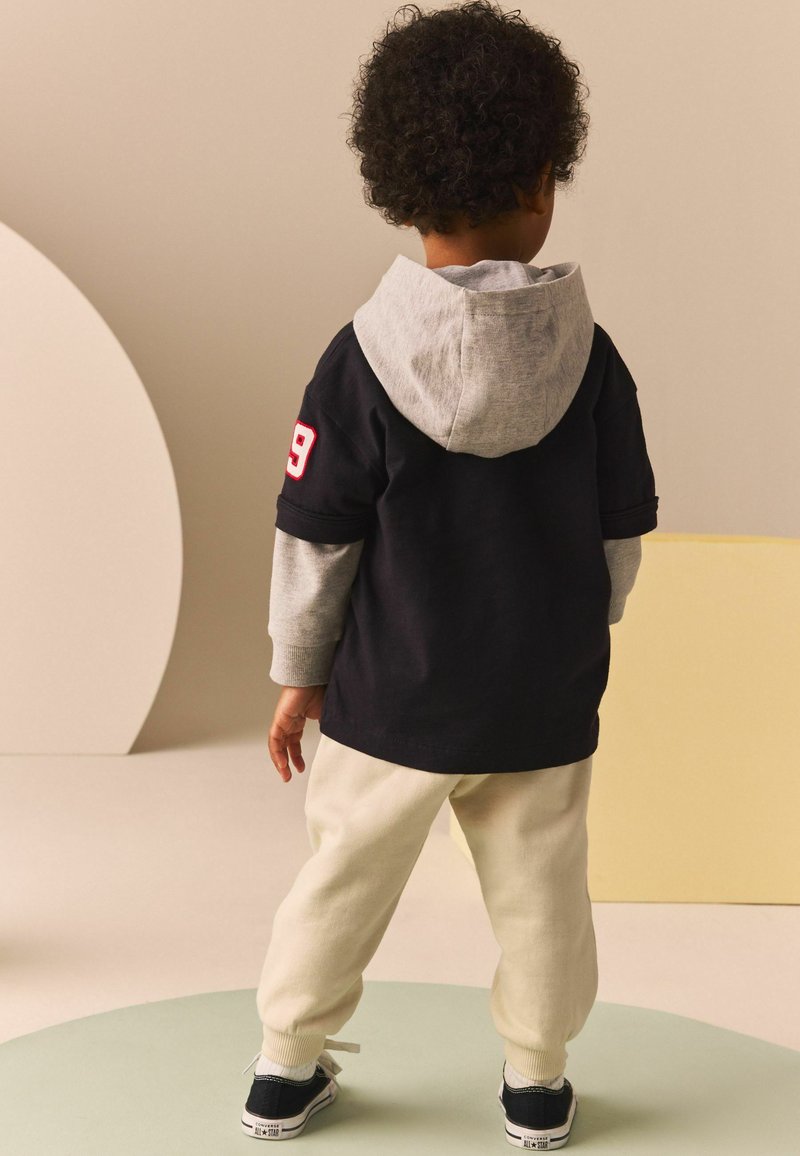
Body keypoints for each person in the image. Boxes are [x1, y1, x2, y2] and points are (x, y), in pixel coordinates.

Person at [241, 1, 658, 1147]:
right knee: (542, 895)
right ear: (542, 182)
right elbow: (618, 538)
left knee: (342, 879)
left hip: (390, 698)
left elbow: (317, 537)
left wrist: (298, 672)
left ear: (401, 190)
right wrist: (583, 628)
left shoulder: (358, 361)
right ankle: (536, 1081)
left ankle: (284, 1064)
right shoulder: (592, 361)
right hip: (539, 698)